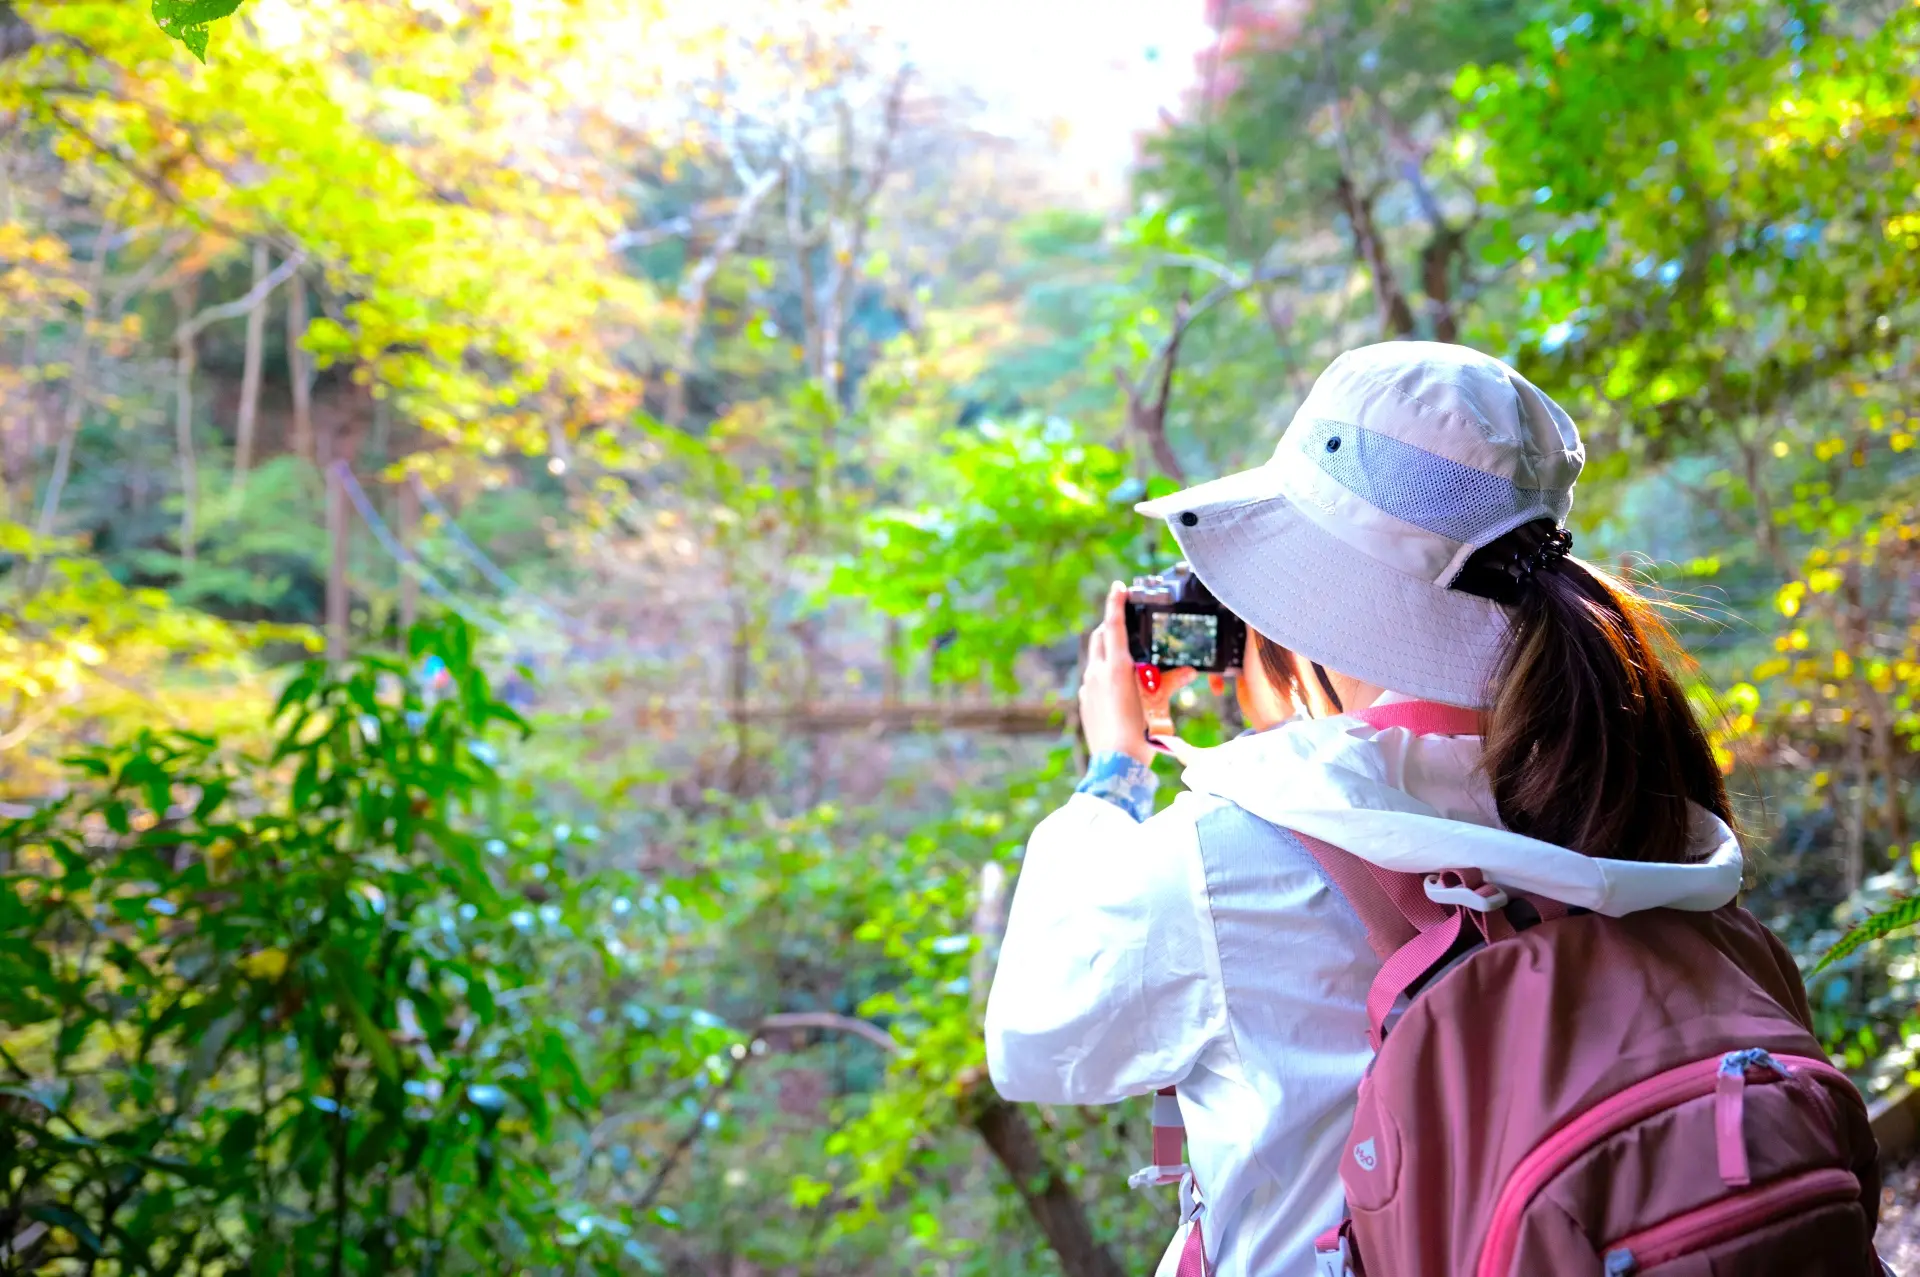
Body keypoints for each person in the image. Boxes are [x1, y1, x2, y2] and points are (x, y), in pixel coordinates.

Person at [982, 342, 1752, 1276]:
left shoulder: (1232, 849)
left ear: (1315, 603)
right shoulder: (1633, 787)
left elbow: (1032, 1041)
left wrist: (1115, 769)